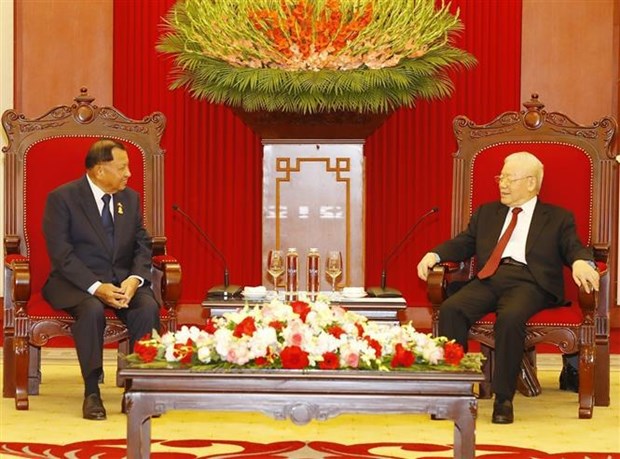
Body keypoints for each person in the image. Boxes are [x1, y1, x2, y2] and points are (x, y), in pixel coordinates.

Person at [416, 151, 599, 424]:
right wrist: (436, 254)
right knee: (452, 309)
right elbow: (465, 242)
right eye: (500, 177)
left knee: (511, 317)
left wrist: (583, 262)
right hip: (490, 277)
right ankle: (454, 393)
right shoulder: (487, 213)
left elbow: (573, 247)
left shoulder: (557, 217)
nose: (501, 183)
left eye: (508, 178)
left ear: (531, 183)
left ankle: (503, 399)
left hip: (531, 282)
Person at [42, 138, 160, 420]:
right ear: (99, 170)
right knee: (92, 308)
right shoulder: (63, 198)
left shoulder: (129, 199)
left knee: (147, 307)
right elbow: (62, 254)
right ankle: (92, 391)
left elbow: (143, 244)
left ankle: (139, 388)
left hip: (122, 281)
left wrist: (135, 279)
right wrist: (97, 287)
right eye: (122, 168)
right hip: (75, 282)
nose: (128, 174)